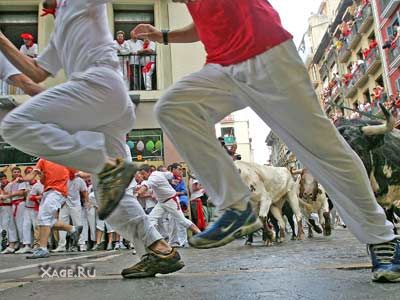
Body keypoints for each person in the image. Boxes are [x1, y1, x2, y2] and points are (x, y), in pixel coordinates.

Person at [134, 0, 400, 282]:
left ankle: (382, 238)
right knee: (173, 108)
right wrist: (163, 36)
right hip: (222, 66)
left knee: (325, 151)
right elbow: (205, 22)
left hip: (268, 54)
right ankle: (238, 206)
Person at [0, 0, 183, 277]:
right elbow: (36, 71)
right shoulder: (60, 28)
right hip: (109, 102)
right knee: (112, 196)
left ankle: (104, 163)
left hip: (97, 86)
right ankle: (157, 250)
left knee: (14, 124)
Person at [135, 164, 201, 243]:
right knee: (151, 218)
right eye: (140, 174)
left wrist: (137, 193)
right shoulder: (158, 173)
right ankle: (154, 241)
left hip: (171, 201)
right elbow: (169, 175)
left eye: (143, 173)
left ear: (149, 171)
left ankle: (201, 235)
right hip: (162, 202)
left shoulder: (153, 178)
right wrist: (172, 180)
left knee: (182, 221)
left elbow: (145, 186)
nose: (142, 176)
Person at [53, 171, 87, 253]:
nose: (70, 173)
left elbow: (84, 191)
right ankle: (62, 245)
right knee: (62, 224)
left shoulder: (80, 180)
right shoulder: (64, 179)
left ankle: (81, 244)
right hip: (64, 204)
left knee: (78, 224)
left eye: (72, 171)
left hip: (75, 205)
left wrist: (87, 202)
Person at [0, 167, 28, 254]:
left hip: (19, 204)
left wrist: (7, 196)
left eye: (18, 172)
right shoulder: (11, 183)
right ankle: (14, 244)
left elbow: (21, 192)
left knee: (20, 225)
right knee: (13, 226)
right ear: (12, 173)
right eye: (14, 172)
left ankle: (24, 245)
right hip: (13, 205)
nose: (16, 173)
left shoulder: (21, 181)